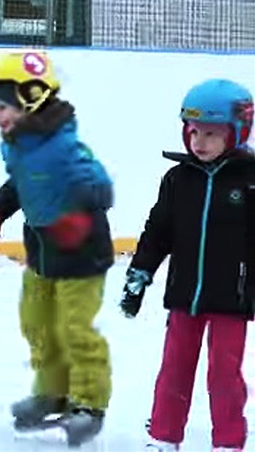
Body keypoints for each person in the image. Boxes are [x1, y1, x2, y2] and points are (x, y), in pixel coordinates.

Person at [0, 50, 114, 445]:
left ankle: (88, 402)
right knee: (37, 324)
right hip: (42, 252)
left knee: (74, 329)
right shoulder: (18, 145)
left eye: (0, 105)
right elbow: (21, 183)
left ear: (31, 97)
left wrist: (78, 216)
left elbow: (100, 187)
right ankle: (52, 391)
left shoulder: (64, 147)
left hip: (82, 255)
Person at [119, 79, 255, 452]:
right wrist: (139, 275)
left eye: (211, 133)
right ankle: (164, 438)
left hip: (232, 298)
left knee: (225, 376)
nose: (200, 142)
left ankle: (227, 442)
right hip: (184, 296)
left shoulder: (250, 182)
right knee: (173, 371)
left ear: (237, 131)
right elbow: (158, 232)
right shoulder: (179, 178)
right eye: (194, 132)